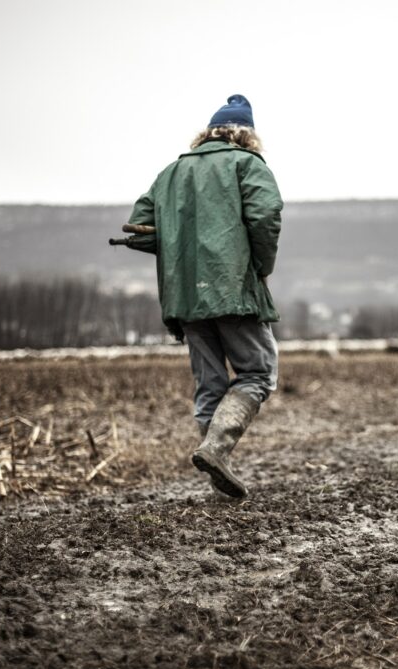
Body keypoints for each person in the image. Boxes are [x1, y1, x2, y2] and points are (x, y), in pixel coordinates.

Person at [126, 94, 283, 499]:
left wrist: (180, 247)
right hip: (232, 290)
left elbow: (139, 229)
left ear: (207, 133)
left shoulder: (170, 173)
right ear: (245, 135)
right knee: (257, 373)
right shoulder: (247, 164)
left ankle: (217, 473)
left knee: (210, 382)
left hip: (184, 298)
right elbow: (265, 217)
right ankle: (216, 449)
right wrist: (262, 267)